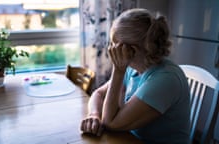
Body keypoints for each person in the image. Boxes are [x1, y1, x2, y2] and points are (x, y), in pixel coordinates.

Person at [80, 8, 190, 144]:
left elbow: (110, 122)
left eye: (114, 44)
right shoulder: (133, 69)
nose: (110, 49)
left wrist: (118, 71)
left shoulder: (165, 79)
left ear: (133, 50)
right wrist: (94, 115)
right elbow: (99, 93)